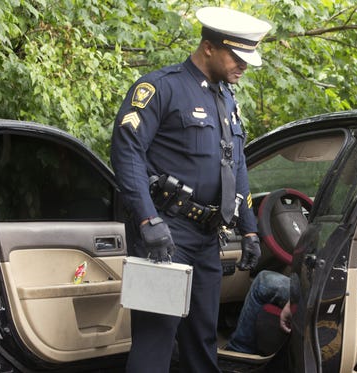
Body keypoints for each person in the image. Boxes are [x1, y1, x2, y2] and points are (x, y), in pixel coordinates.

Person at [110, 7, 271, 373]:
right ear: (209, 47)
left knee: (202, 339)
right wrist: (148, 219)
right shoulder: (161, 88)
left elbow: (237, 164)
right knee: (156, 341)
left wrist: (249, 228)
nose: (244, 66)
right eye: (237, 56)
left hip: (206, 237)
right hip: (165, 231)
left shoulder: (227, 100)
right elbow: (127, 152)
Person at [225, 224, 357, 354]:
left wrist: (297, 296)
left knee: (264, 280)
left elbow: (339, 276)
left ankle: (238, 350)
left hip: (335, 305)